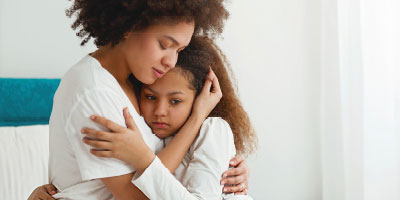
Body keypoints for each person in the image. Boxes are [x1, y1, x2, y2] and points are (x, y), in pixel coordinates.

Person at [28, 1, 250, 199]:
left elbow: (163, 163)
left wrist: (222, 165)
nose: (171, 62)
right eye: (164, 44)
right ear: (129, 27)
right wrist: (196, 120)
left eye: (179, 50)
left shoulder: (138, 83)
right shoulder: (94, 90)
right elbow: (137, 196)